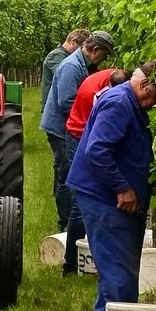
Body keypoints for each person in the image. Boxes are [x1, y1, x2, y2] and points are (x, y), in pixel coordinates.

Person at [65, 61, 156, 311]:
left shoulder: (128, 102)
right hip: (103, 197)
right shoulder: (120, 103)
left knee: (118, 268)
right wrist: (123, 188)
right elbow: (97, 150)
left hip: (109, 197)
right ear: (145, 85)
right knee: (117, 270)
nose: (155, 104)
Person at [40, 30, 114, 236]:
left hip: (67, 126)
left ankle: (69, 222)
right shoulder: (71, 67)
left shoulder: (82, 65)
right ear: (95, 50)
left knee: (69, 172)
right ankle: (65, 224)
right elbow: (67, 103)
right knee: (67, 174)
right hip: (60, 128)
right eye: (104, 54)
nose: (104, 59)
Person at [60, 66, 128, 274]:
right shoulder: (100, 98)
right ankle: (71, 262)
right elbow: (98, 143)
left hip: (91, 139)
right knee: (81, 201)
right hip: (80, 137)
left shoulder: (112, 79)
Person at [41, 29, 91, 117]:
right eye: (82, 47)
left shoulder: (68, 57)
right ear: (73, 41)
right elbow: (66, 78)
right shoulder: (56, 56)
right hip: (56, 110)